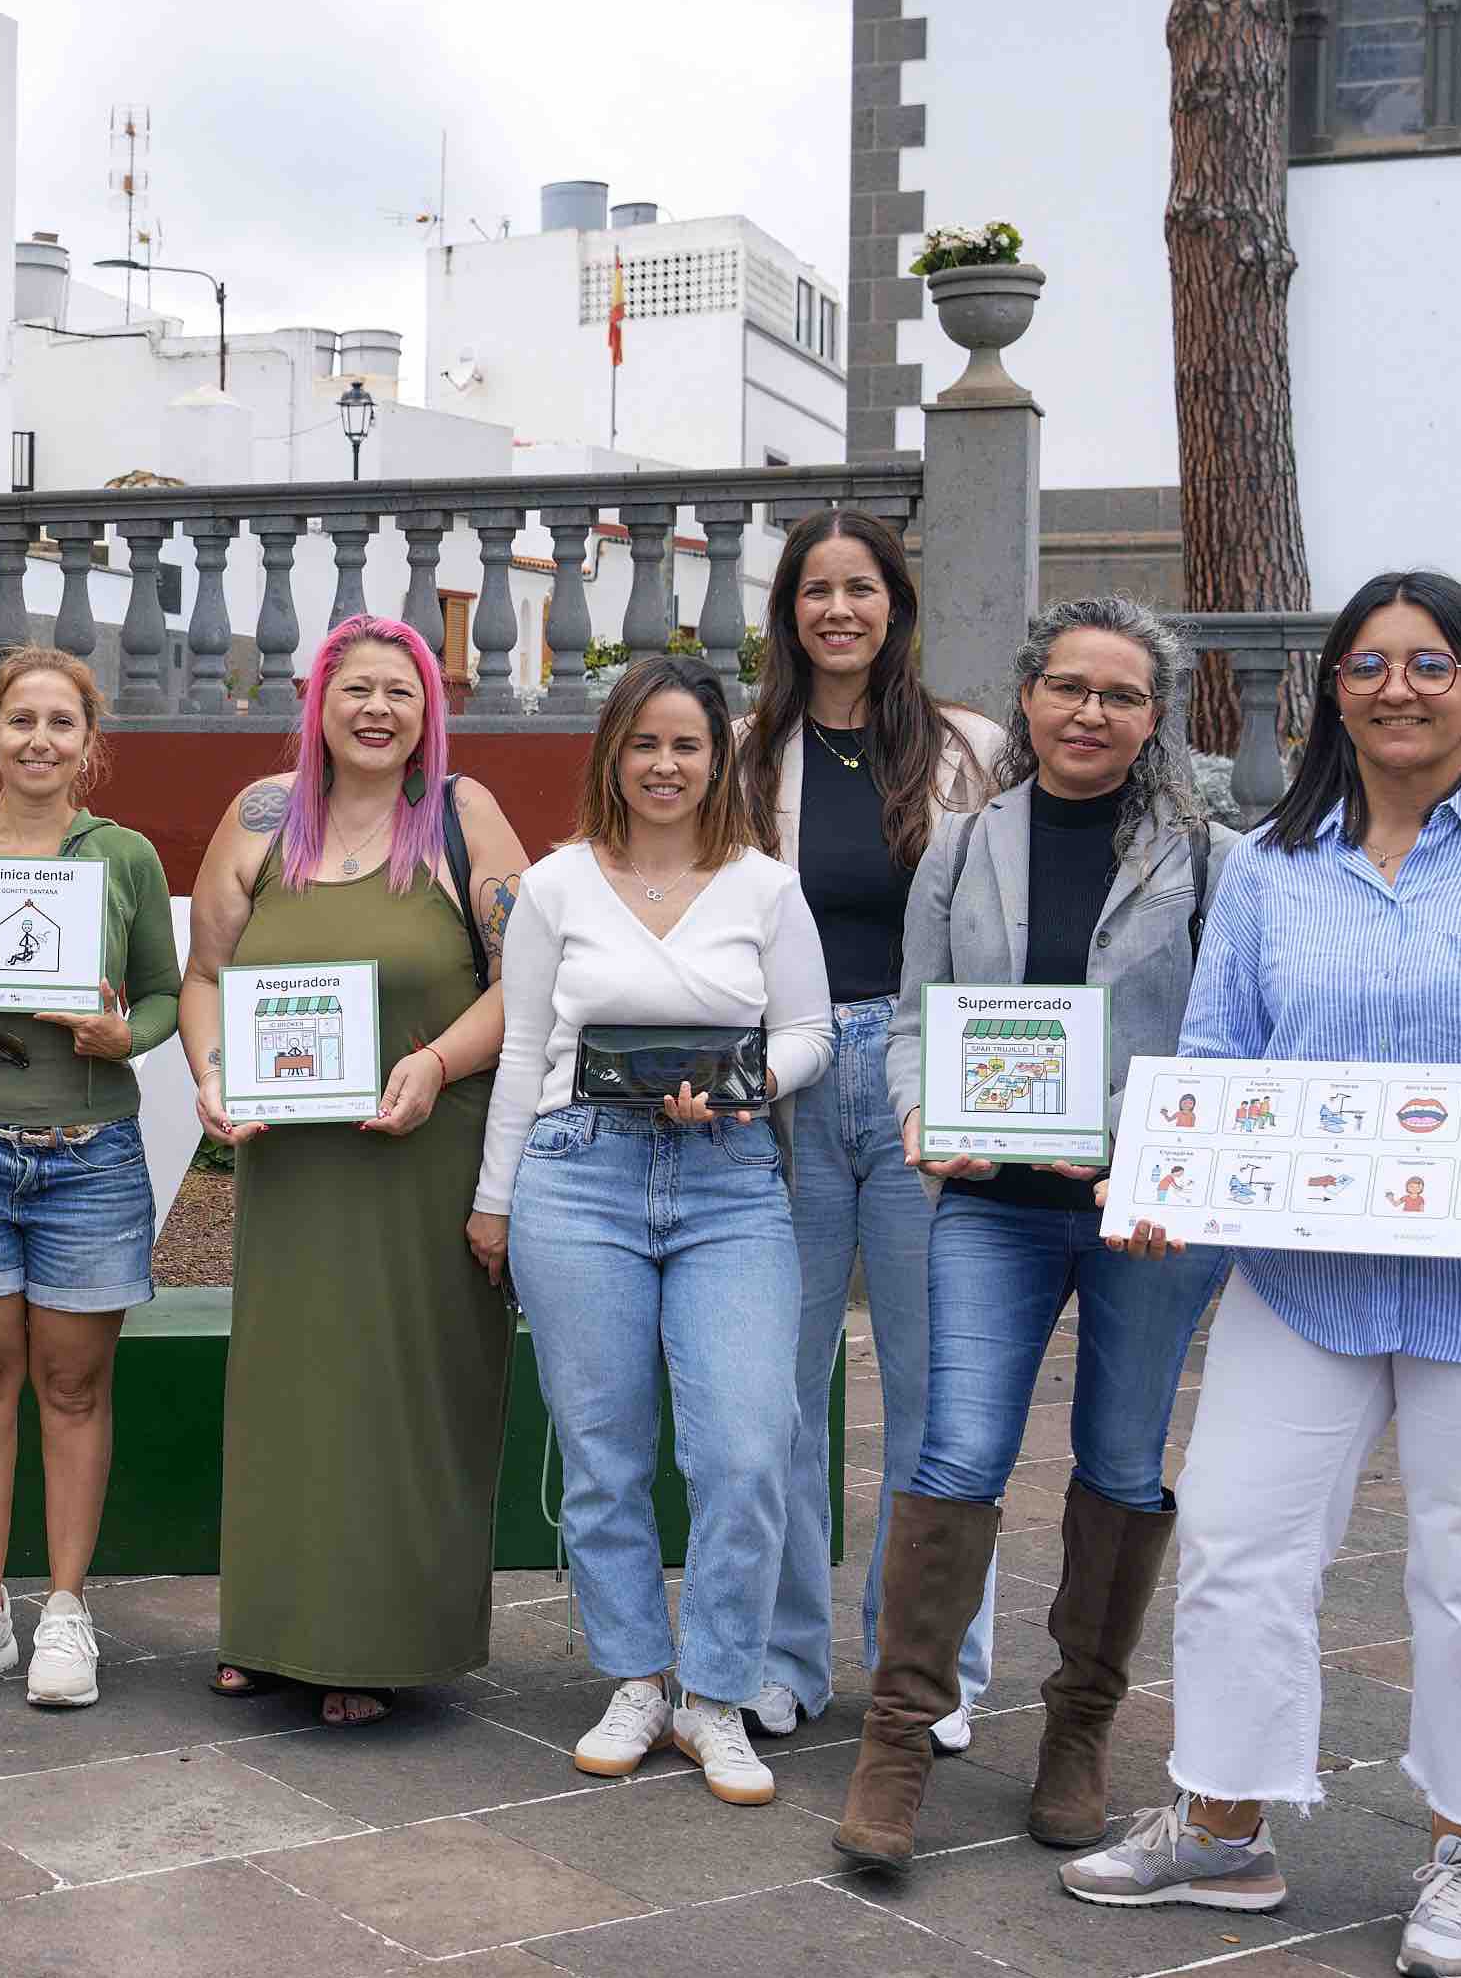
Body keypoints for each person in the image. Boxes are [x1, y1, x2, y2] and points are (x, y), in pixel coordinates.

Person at [1058, 572, 1461, 1978]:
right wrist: (1170, 1170)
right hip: (1308, 1273)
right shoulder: (1276, 870)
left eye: (1427, 662)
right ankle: (1223, 1821)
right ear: (1330, 689)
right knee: (1234, 1529)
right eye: (1366, 663)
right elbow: (1223, 1057)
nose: (1396, 687)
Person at [833, 597, 1235, 1867]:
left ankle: (1077, 1732)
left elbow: (1234, 1043)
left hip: (1145, 1216)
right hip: (993, 1204)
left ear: (1154, 719)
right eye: (1068, 687)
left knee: (1121, 1463)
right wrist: (917, 1117)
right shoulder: (961, 847)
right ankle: (897, 1743)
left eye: (1119, 696)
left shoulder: (1210, 859)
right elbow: (912, 1021)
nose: (1089, 713)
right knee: (951, 1454)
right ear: (1026, 697)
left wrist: (1166, 1159)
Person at [473, 655, 830, 1806]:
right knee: (603, 1454)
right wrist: (495, 1194)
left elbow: (813, 1034)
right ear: (611, 756)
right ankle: (634, 1675)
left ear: (717, 755)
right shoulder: (557, 884)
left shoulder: (765, 888)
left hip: (730, 1183)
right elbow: (526, 1052)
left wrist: (742, 1084)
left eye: (686, 744)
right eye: (644, 744)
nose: (665, 765)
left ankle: (715, 1694)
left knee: (742, 1447)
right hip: (578, 1180)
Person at [184, 616, 529, 1727]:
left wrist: (432, 1064)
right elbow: (205, 977)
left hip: (424, 1152)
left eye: (400, 691)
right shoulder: (256, 818)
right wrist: (212, 1076)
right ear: (317, 703)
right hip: (294, 1168)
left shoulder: (461, 816)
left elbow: (531, 977)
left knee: (404, 1394)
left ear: (429, 710)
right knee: (291, 1390)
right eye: (355, 689)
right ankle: (272, 1629)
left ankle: (377, 1644)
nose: (377, 709)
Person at [739, 508, 1005, 1744]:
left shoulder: (970, 752)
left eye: (860, 588)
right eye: (813, 591)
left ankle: (929, 1667)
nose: (837, 610)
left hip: (920, 1083)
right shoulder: (743, 752)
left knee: (936, 1389)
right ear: (788, 611)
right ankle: (779, 1657)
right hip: (782, 1084)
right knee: (774, 1394)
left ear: (895, 602)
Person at [0, 645, 179, 1707]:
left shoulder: (126, 857)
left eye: (62, 724)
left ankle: (64, 1609)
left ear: (88, 745)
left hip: (89, 1157)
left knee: (70, 1387)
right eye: (22, 722)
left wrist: (120, 1035)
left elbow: (158, 992)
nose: (40, 741)